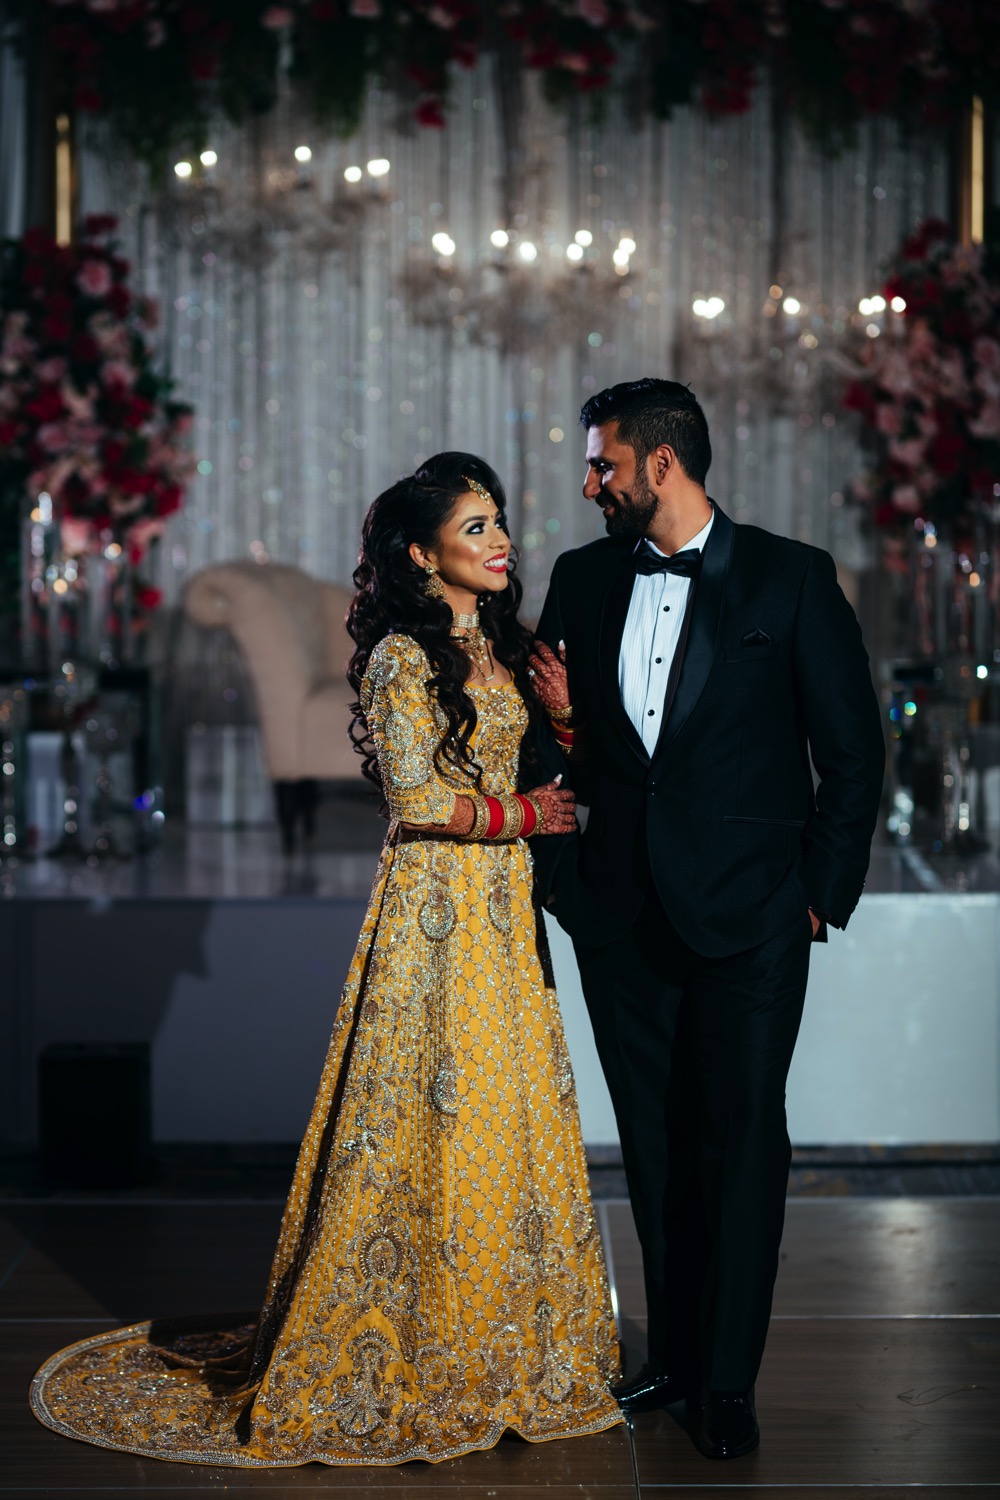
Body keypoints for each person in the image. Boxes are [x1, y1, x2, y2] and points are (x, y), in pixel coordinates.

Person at [30, 452, 622, 1467]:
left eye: (496, 523)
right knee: (427, 1109)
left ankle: (503, 1342)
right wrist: (527, 815)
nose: (499, 543)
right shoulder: (399, 657)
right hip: (434, 914)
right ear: (420, 553)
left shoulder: (503, 647)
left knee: (507, 1109)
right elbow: (417, 799)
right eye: (475, 528)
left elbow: (548, 765)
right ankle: (409, 1340)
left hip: (502, 911)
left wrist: (563, 714)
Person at [529, 379, 885, 1460]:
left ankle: (727, 1383)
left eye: (603, 464)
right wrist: (564, 875)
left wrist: (818, 895)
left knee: (740, 1144)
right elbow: (549, 745)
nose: (589, 484)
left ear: (662, 463)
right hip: (619, 914)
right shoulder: (582, 578)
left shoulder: (790, 577)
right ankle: (675, 1358)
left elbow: (852, 751)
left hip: (754, 916)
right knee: (654, 1149)